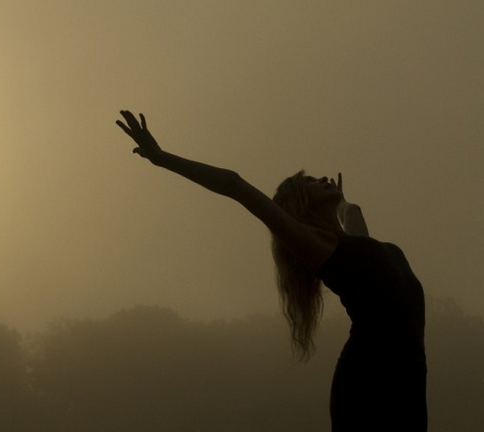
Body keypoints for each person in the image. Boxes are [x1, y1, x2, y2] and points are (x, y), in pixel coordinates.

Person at [115, 110, 427, 431]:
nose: (322, 179)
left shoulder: (356, 247)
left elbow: (354, 212)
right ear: (300, 204)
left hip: (408, 381)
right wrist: (161, 157)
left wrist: (341, 202)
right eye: (310, 181)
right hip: (370, 384)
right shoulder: (317, 247)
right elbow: (232, 184)